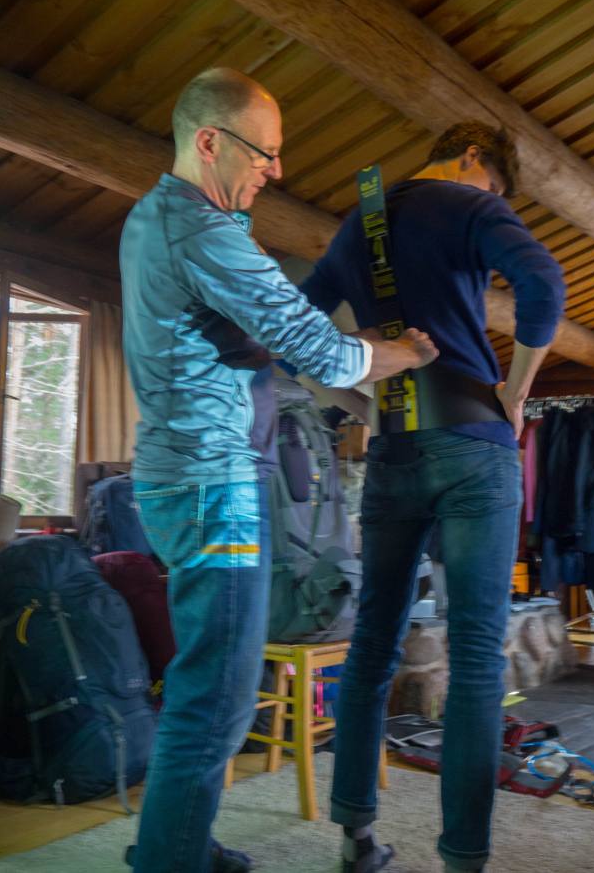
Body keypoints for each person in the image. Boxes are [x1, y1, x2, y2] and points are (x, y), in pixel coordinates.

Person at [119, 66, 438, 873]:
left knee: (208, 678)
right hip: (212, 488)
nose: (276, 168)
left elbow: (240, 335)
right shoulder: (203, 231)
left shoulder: (153, 219)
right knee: (220, 695)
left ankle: (178, 842)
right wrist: (401, 353)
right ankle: (167, 861)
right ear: (209, 141)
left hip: (178, 476)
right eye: (263, 152)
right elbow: (323, 350)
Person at [299, 121, 566, 873]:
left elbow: (294, 332)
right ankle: (462, 859)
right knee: (476, 657)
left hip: (392, 446)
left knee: (372, 646)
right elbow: (544, 285)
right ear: (473, 157)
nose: (492, 197)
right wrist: (515, 392)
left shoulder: (357, 223)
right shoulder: (470, 204)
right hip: (473, 443)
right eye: (495, 185)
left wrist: (356, 404)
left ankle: (355, 838)